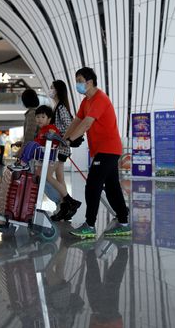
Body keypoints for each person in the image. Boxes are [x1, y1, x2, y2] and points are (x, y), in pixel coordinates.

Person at [62, 67, 130, 239]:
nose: (77, 84)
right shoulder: (86, 101)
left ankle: (89, 226)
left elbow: (86, 124)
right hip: (102, 150)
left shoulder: (100, 99)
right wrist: (63, 138)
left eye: (79, 81)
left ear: (89, 82)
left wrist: (70, 141)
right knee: (113, 187)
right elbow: (76, 121)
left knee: (93, 185)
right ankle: (124, 223)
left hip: (108, 149)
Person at [68, 245, 129, 328]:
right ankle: (120, 248)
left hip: (104, 321)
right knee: (106, 283)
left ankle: (120, 249)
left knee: (106, 284)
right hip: (107, 323)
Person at [20, 105, 81, 211]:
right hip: (45, 158)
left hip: (50, 158)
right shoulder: (42, 130)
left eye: (43, 117)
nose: (39, 119)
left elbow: (54, 139)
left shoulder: (50, 128)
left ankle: (66, 200)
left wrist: (51, 136)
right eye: (37, 117)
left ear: (49, 119)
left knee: (46, 178)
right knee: (50, 178)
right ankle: (66, 203)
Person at [48, 80, 76, 222]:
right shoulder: (57, 107)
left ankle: (69, 201)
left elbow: (70, 126)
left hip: (60, 148)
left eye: (52, 88)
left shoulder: (61, 108)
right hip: (59, 147)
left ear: (58, 90)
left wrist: (59, 137)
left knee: (46, 175)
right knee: (60, 177)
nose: (50, 90)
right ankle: (65, 207)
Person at [13, 88, 39, 158]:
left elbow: (29, 136)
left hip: (32, 152)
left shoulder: (31, 114)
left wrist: (21, 151)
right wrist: (22, 143)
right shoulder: (33, 113)